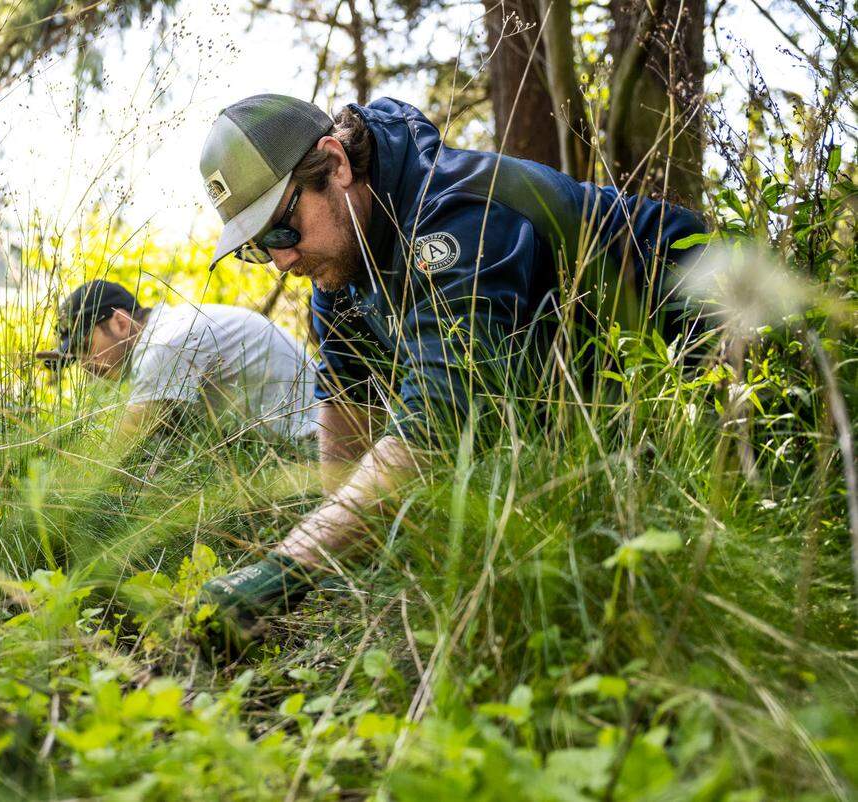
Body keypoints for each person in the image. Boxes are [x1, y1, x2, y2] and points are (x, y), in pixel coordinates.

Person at [195, 94, 709, 654]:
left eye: (281, 228)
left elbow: (437, 425)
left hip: (711, 351)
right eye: (258, 248)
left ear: (336, 164)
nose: (283, 261)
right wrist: (338, 571)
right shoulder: (342, 269)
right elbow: (348, 407)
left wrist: (284, 573)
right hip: (602, 416)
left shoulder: (456, 215)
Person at [36, 279, 318, 443]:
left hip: (314, 449)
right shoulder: (174, 326)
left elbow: (115, 453)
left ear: (121, 323)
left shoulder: (163, 344)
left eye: (86, 347)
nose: (85, 364)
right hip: (307, 443)